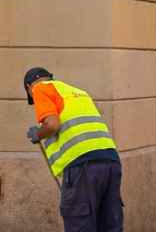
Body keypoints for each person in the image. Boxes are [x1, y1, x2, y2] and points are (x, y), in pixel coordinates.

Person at [23, 67, 123, 232]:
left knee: (80, 225)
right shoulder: (77, 92)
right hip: (110, 162)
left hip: (83, 167)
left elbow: (53, 124)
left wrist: (38, 134)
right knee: (110, 225)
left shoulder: (40, 88)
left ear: (28, 87)